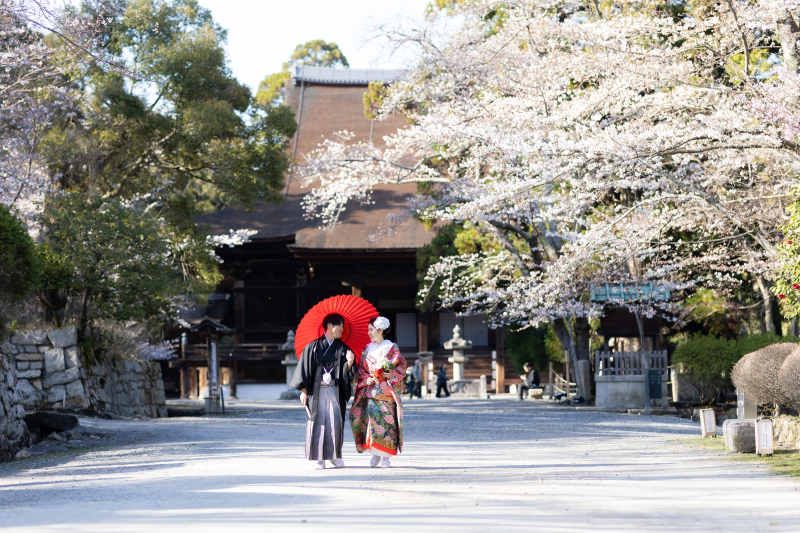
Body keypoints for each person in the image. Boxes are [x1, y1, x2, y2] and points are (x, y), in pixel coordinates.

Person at [290, 313, 355, 469]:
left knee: (335, 422)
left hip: (334, 388)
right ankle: (319, 458)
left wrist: (350, 363)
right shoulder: (312, 347)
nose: (342, 329)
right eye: (340, 325)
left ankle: (335, 456)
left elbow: (347, 374)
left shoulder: (343, 348)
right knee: (318, 422)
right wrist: (304, 391)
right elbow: (304, 370)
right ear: (329, 326)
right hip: (316, 391)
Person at [350, 316, 407, 468]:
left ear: (380, 330)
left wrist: (392, 375)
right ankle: (375, 454)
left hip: (387, 393)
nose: (368, 333)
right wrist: (366, 379)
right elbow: (361, 369)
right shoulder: (367, 349)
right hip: (372, 393)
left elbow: (401, 366)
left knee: (388, 426)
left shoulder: (392, 348)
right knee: (373, 425)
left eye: (371, 330)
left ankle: (387, 458)